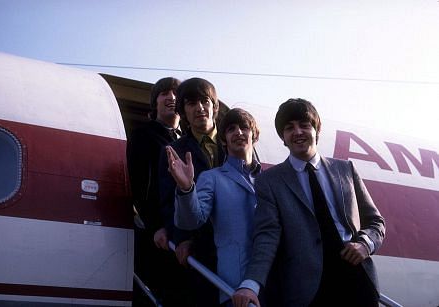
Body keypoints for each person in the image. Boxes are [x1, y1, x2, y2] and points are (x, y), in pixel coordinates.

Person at [232, 98, 386, 307]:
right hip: (308, 290)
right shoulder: (270, 182)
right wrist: (251, 283)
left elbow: (375, 221)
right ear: (283, 137)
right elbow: (267, 236)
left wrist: (365, 244)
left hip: (357, 278)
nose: (297, 132)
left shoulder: (346, 170)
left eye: (304, 125)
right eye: (289, 128)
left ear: (316, 130)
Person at [166, 108, 261, 306]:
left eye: (244, 127)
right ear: (224, 140)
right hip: (233, 286)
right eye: (231, 129)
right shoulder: (212, 178)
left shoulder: (271, 180)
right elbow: (191, 220)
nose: (238, 133)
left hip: (273, 283)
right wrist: (186, 189)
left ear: (255, 135)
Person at [158, 77, 226, 306]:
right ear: (183, 112)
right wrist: (182, 238)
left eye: (205, 101)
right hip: (201, 246)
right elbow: (168, 201)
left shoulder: (236, 142)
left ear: (214, 106)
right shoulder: (173, 150)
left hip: (236, 241)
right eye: (191, 103)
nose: (199, 108)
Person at [127, 77, 190, 306]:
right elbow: (139, 184)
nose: (171, 97)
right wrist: (155, 226)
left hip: (184, 231)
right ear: (155, 102)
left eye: (175, 93)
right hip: (160, 236)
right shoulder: (144, 135)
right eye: (164, 93)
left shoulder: (187, 140)